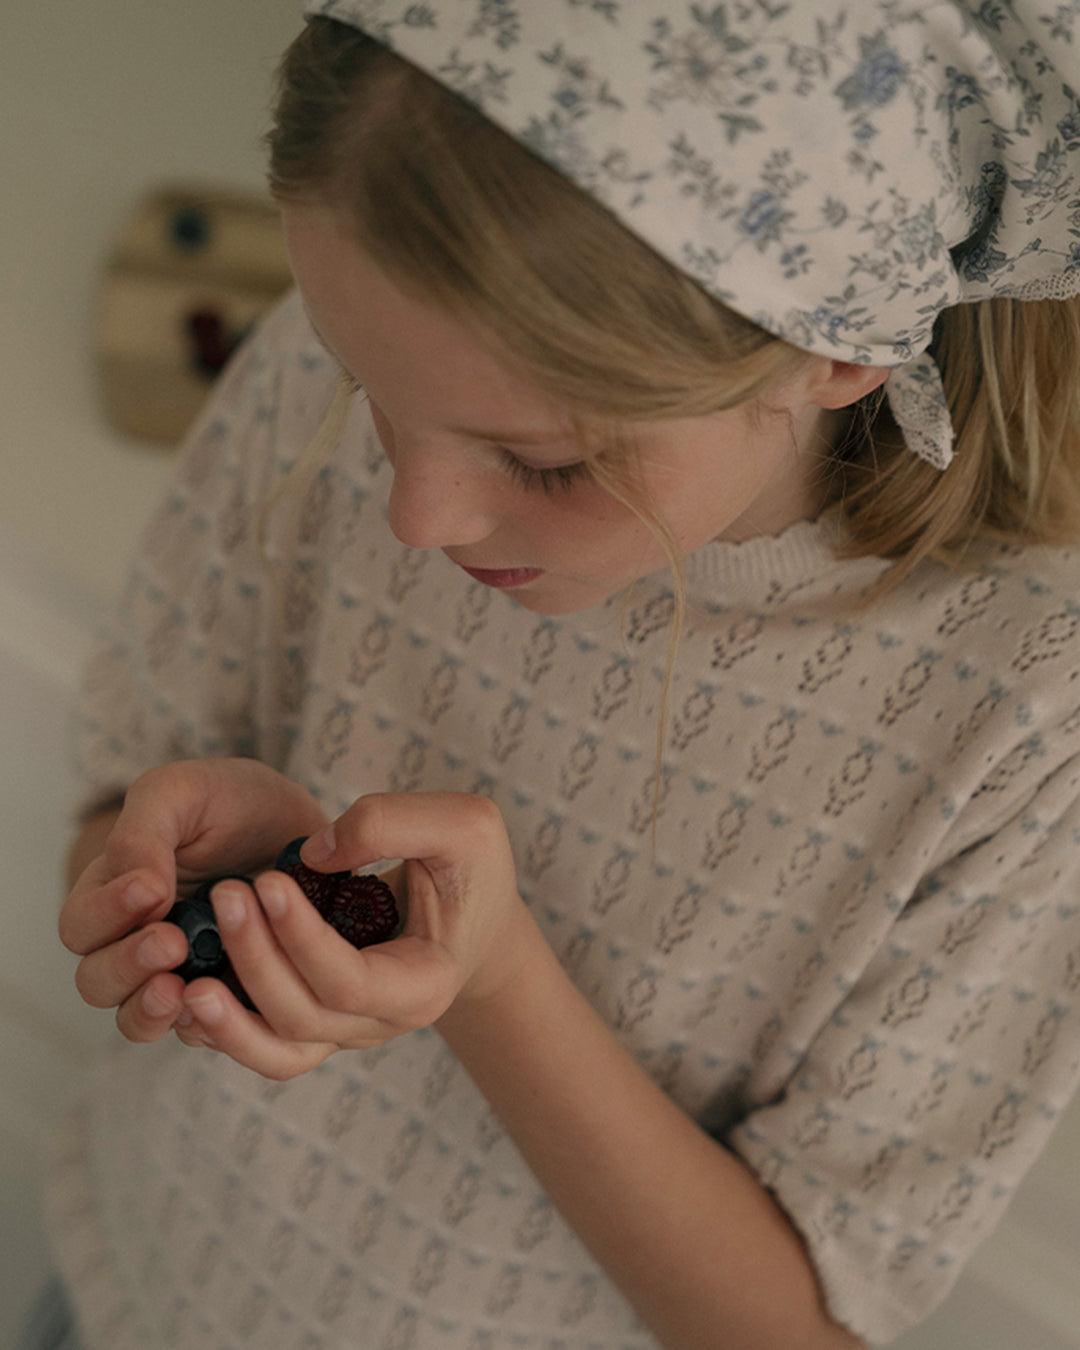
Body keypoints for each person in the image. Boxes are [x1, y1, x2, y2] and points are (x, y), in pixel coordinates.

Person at [42, 4, 1080, 1348]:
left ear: (838, 344)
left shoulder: (1021, 710)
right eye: (366, 397)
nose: (416, 515)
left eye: (545, 462)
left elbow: (793, 1327)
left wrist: (493, 978)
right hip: (128, 1281)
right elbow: (115, 805)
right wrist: (175, 899)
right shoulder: (352, 333)